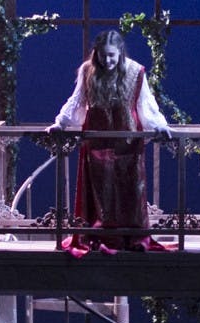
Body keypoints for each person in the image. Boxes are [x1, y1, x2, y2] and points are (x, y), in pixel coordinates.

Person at [47, 28, 173, 256]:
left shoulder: (136, 71)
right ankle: (97, 235)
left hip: (128, 141)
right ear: (96, 53)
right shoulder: (88, 71)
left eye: (112, 55)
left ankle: (129, 236)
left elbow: (146, 103)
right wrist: (61, 123)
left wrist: (159, 125)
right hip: (97, 142)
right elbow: (77, 100)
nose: (107, 60)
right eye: (103, 55)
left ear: (120, 52)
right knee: (99, 191)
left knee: (129, 189)